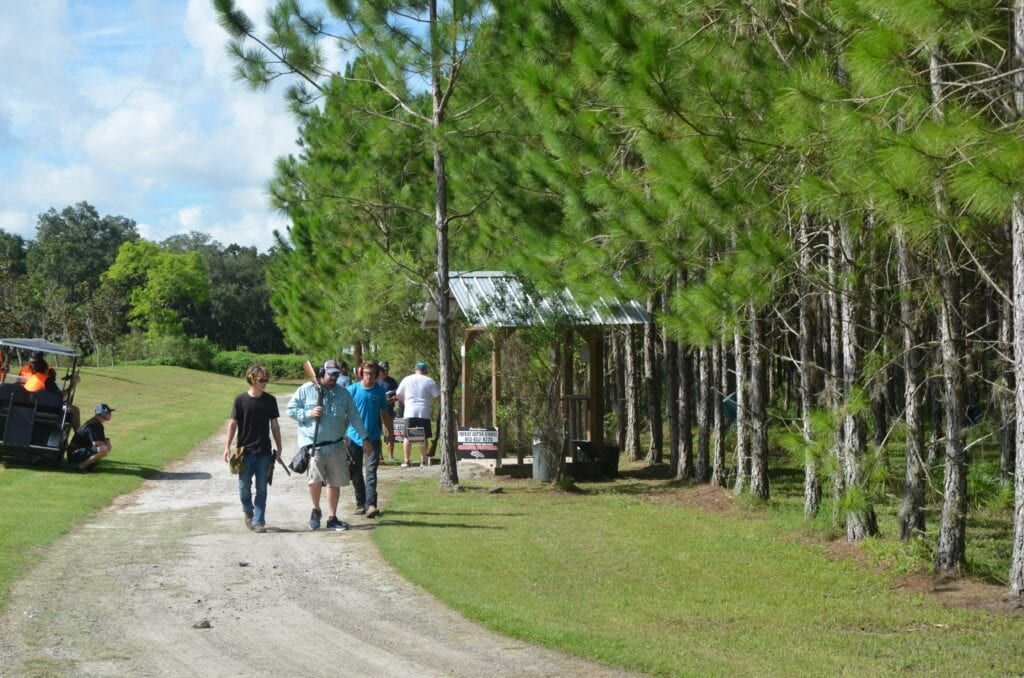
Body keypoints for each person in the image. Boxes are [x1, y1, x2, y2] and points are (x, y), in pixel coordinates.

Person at [288, 359, 372, 531]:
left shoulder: (343, 393)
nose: (334, 377)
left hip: (336, 445)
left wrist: (364, 438)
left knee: (335, 482)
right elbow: (290, 409)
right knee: (315, 480)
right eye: (331, 374)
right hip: (314, 445)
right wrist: (308, 413)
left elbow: (354, 416)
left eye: (336, 374)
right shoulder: (306, 389)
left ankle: (332, 518)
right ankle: (315, 510)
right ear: (321, 373)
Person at [222, 365, 283, 533]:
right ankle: (248, 511)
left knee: (262, 487)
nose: (265, 383)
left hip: (264, 451)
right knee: (243, 488)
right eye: (261, 380)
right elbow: (233, 424)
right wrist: (227, 446)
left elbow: (275, 426)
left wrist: (279, 447)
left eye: (266, 380)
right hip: (243, 452)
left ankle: (258, 521)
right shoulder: (240, 400)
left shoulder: (270, 400)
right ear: (251, 379)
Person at [346, 361, 393, 519]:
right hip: (353, 437)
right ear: (361, 373)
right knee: (356, 472)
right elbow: (344, 414)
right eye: (366, 373)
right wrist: (341, 435)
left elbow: (384, 413)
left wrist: (390, 432)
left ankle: (371, 505)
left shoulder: (379, 391)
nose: (369, 376)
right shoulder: (352, 390)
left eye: (372, 374)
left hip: (373, 437)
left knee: (371, 471)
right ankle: (360, 503)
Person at [396, 361, 440, 467]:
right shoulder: (429, 381)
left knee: (407, 437)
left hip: (409, 411)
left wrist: (405, 401)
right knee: (423, 437)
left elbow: (398, 394)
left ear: (415, 369)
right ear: (425, 371)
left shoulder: (407, 379)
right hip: (423, 412)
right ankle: (423, 461)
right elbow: (438, 397)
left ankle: (406, 461)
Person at [68, 403, 115, 472]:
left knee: (105, 446)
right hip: (75, 453)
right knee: (103, 449)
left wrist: (106, 442)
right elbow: (96, 443)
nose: (110, 414)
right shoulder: (94, 425)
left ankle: (88, 465)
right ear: (103, 414)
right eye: (109, 412)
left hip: (78, 451)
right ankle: (81, 467)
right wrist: (107, 442)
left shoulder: (96, 422)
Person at [378, 361, 400, 461]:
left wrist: (393, 399)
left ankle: (391, 456)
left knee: (390, 434)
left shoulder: (392, 381)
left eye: (386, 370)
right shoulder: (375, 381)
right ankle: (380, 456)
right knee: (376, 434)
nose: (385, 372)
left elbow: (398, 394)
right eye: (383, 370)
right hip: (376, 412)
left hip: (388, 411)